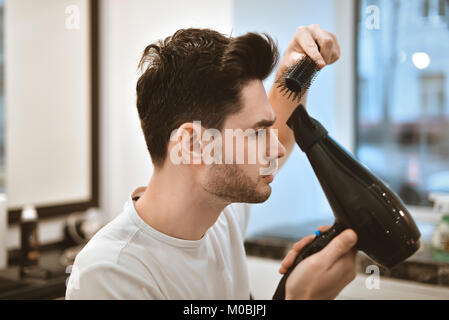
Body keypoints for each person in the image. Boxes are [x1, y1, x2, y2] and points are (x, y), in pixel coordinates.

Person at [65, 24, 358, 300]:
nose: (277, 149)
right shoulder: (111, 273)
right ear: (192, 145)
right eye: (257, 133)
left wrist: (299, 66)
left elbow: (279, 125)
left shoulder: (219, 211)